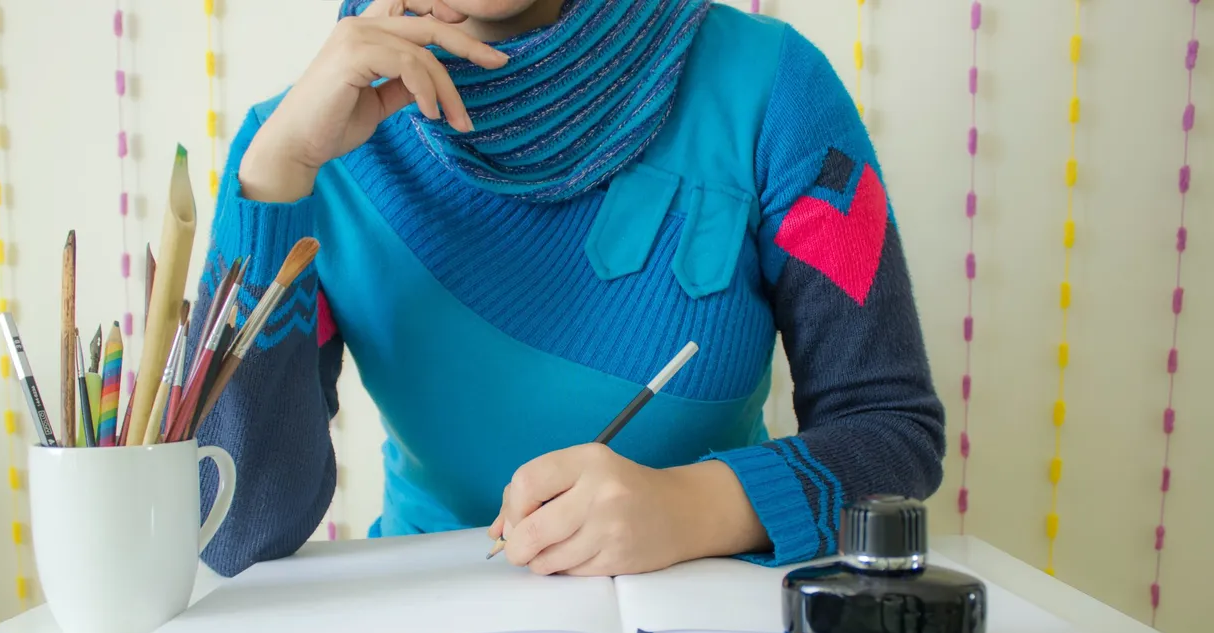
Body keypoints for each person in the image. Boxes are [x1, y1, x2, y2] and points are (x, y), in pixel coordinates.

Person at [189, 0, 946, 579]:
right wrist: (276, 179)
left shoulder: (777, 90)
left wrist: (698, 508)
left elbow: (893, 430)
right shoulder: (294, 144)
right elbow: (234, 531)